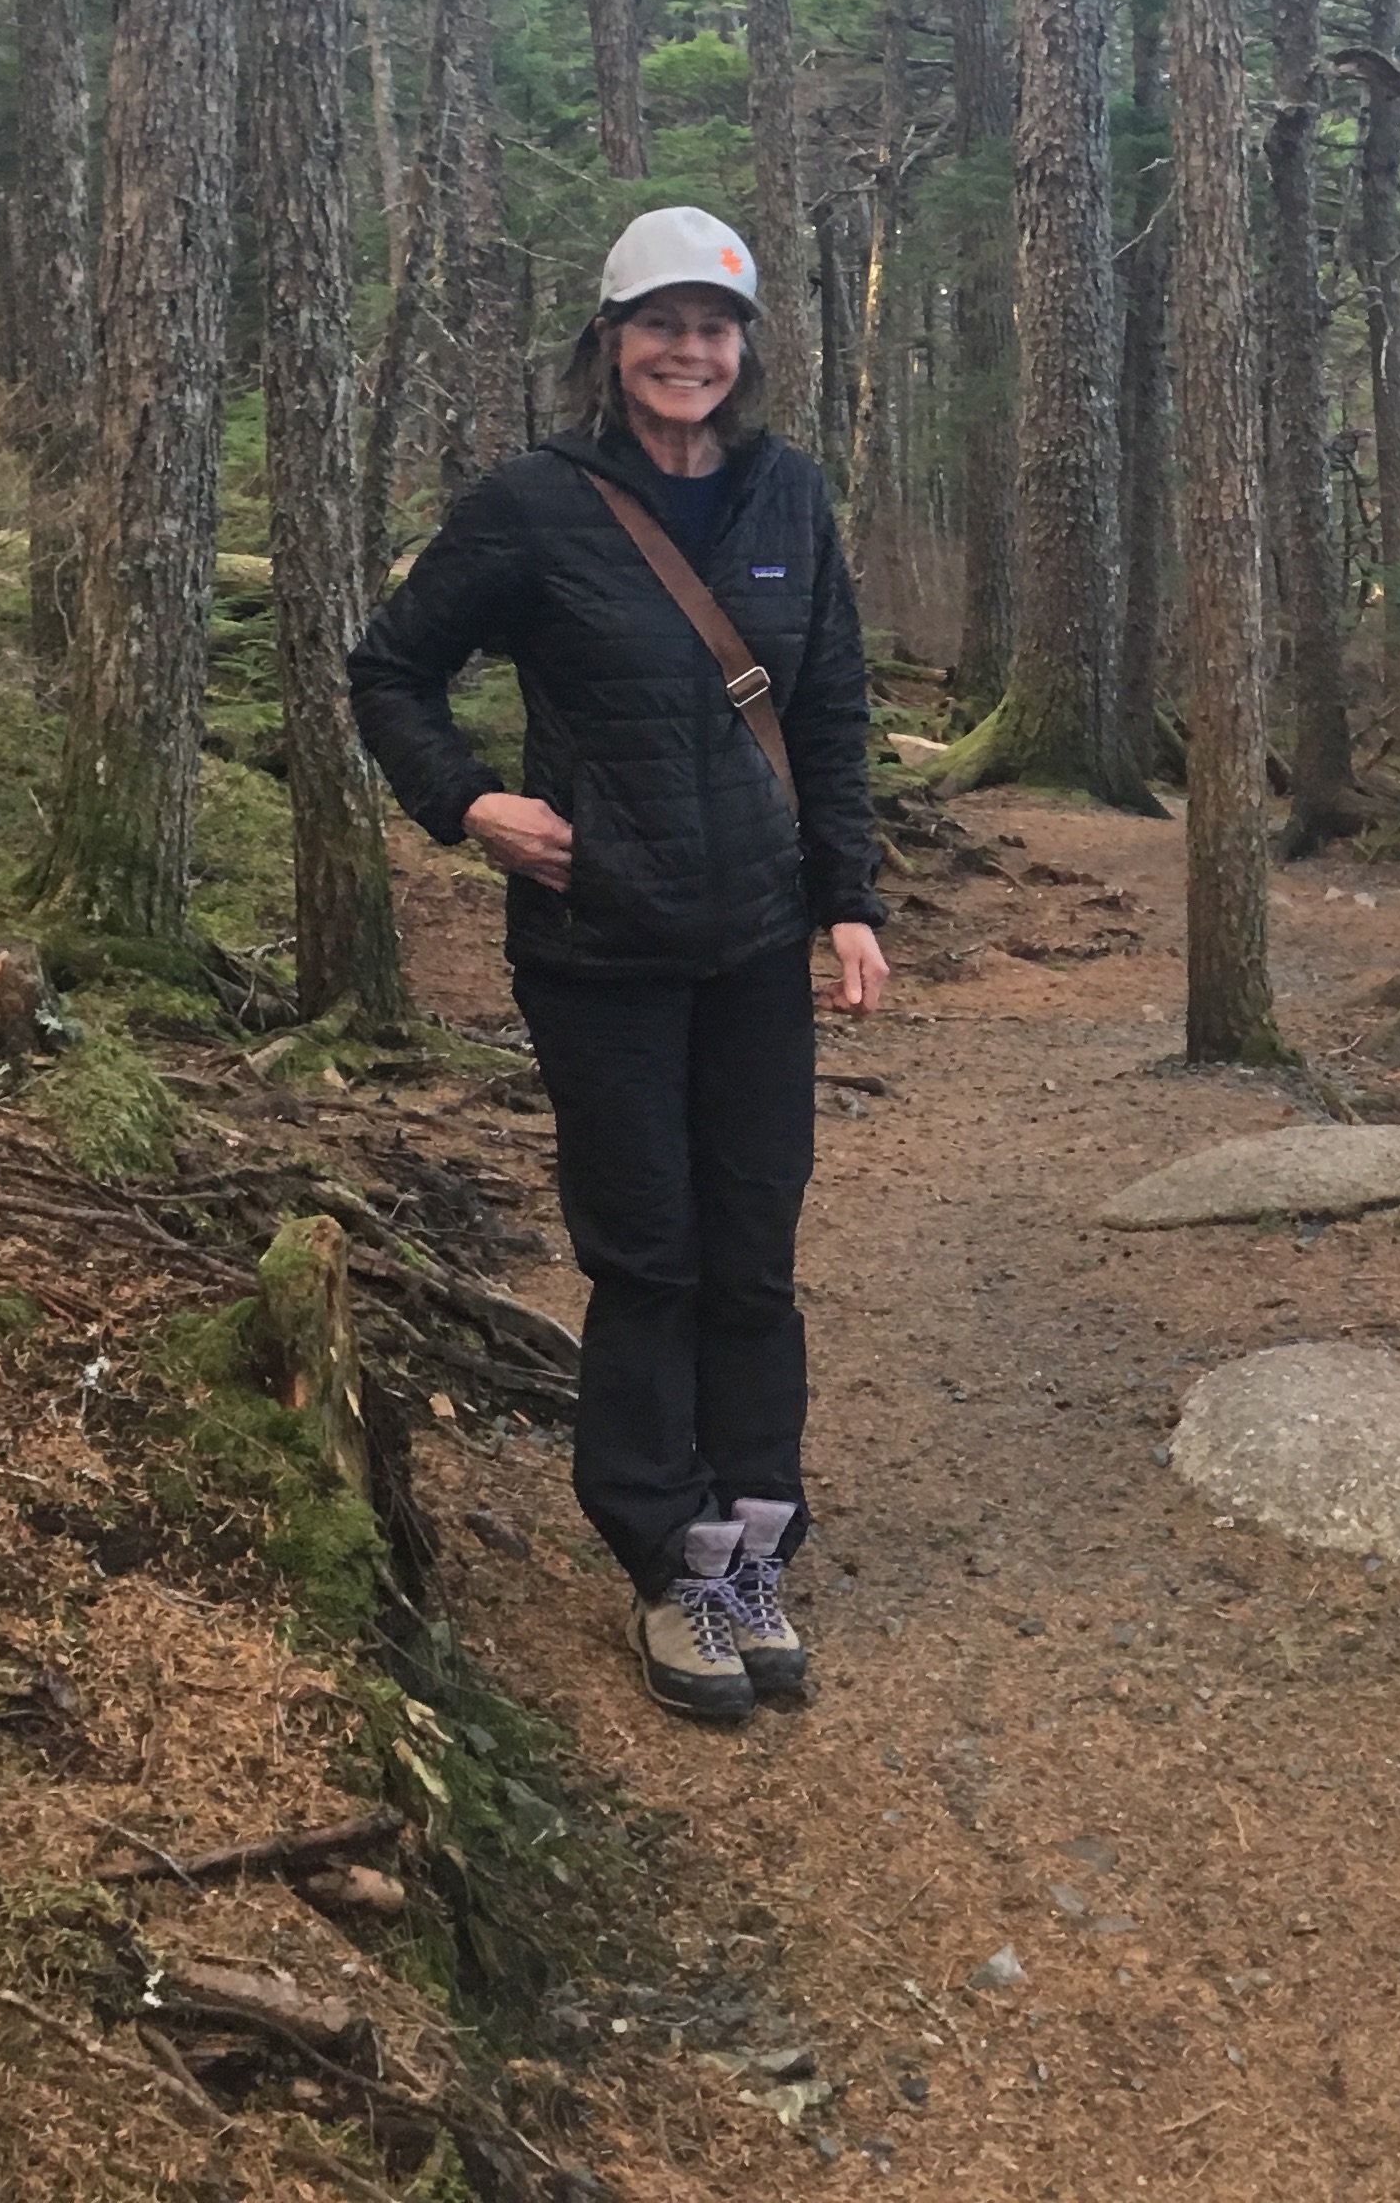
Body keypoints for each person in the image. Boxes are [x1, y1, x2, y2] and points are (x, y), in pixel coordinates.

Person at [348, 207, 888, 1729]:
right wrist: (470, 804)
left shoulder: (789, 494)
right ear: (611, 340)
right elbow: (389, 669)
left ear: (745, 349)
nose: (687, 352)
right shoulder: (535, 503)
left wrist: (848, 903)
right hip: (600, 950)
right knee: (649, 1256)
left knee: (753, 1252)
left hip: (755, 946)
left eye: (714, 328)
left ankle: (751, 1545)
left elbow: (830, 709)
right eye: (661, 325)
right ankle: (666, 1559)